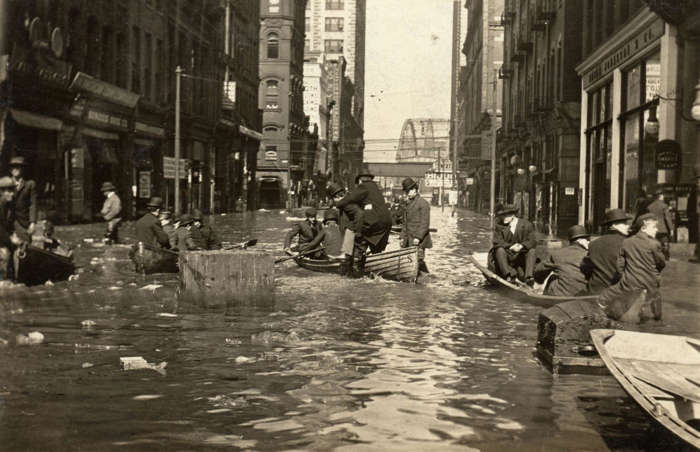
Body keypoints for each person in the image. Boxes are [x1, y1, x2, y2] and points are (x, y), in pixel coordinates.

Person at [598, 213, 665, 323]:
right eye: (654, 227)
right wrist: (655, 273)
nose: (656, 230)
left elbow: (620, 265)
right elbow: (661, 263)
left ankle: (601, 307)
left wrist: (624, 276)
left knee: (608, 294)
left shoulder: (626, 242)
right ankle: (658, 317)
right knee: (656, 295)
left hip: (630, 281)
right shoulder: (654, 244)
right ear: (643, 228)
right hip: (650, 282)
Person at [334, 169, 392, 263]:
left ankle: (356, 268)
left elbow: (351, 198)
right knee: (376, 248)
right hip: (386, 222)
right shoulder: (375, 187)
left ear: (360, 179)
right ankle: (375, 265)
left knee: (359, 240)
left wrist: (338, 203)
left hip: (374, 221)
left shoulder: (363, 186)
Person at [581, 208, 632, 295]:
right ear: (614, 225)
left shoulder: (594, 244)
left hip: (596, 292)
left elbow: (585, 268)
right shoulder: (629, 243)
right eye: (624, 223)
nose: (628, 226)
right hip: (620, 294)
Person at [488, 204, 537, 286]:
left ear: (512, 215)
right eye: (501, 216)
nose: (502, 218)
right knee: (499, 249)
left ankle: (529, 277)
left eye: (505, 215)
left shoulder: (527, 225)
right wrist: (510, 246)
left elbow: (533, 241)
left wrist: (522, 246)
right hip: (506, 257)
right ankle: (508, 276)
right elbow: (497, 241)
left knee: (532, 251)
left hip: (520, 256)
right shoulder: (499, 226)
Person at [536, 225, 590, 296]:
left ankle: (546, 296)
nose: (589, 241)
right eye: (588, 240)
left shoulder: (557, 253)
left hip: (561, 295)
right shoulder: (590, 254)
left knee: (553, 277)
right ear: (584, 240)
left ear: (569, 241)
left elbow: (539, 272)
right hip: (584, 295)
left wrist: (539, 281)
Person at [400, 177, 432, 274]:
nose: (408, 193)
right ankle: (420, 278)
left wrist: (418, 237)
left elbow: (424, 223)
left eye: (409, 190)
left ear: (415, 189)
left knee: (418, 259)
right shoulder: (408, 204)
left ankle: (425, 278)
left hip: (419, 240)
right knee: (409, 260)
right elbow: (405, 223)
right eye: (406, 191)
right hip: (408, 238)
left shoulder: (423, 203)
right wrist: (402, 237)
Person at [8, 156, 37, 238]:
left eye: (18, 167)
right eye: (13, 167)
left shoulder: (30, 184)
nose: (15, 169)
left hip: (23, 222)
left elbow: (33, 204)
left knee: (24, 246)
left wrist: (33, 222)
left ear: (23, 169)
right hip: (7, 222)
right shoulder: (5, 184)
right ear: (10, 170)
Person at [646, 187, 674, 260]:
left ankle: (654, 257)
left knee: (654, 244)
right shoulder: (664, 206)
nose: (663, 197)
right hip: (663, 229)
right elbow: (667, 218)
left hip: (652, 228)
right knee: (665, 244)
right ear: (661, 196)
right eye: (663, 195)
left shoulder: (650, 207)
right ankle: (665, 258)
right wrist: (671, 229)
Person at [0, 177, 19, 281]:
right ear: (2, 192)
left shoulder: (9, 205)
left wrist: (13, 234)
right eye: (9, 191)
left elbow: (9, 225)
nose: (12, 194)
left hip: (3, 239)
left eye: (12, 191)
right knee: (4, 254)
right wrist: (10, 240)